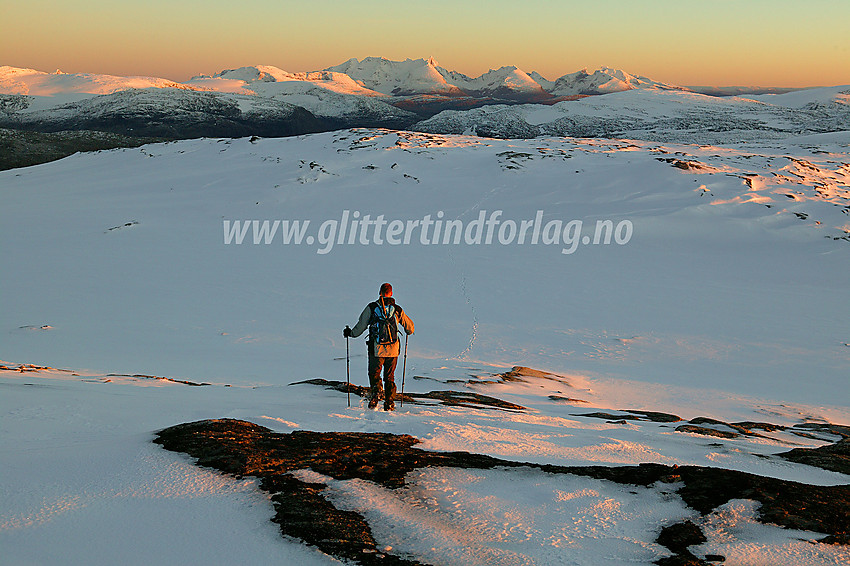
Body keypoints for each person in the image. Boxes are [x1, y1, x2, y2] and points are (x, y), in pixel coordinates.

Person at [344, 283, 414, 411]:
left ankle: (376, 392)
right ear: (391, 293)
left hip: (376, 349)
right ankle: (390, 401)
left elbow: (361, 325)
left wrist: (351, 333)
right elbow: (410, 327)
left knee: (374, 373)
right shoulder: (397, 309)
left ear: (379, 292)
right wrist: (408, 331)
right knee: (390, 376)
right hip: (393, 350)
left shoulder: (372, 307)